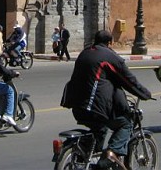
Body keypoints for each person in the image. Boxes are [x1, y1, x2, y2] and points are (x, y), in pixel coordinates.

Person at [62, 30, 152, 169]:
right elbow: (127, 80)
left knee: (100, 129)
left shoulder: (84, 53)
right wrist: (145, 93)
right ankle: (112, 152)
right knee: (125, 124)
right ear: (110, 42)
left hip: (77, 106)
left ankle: (90, 159)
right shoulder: (109, 56)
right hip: (95, 107)